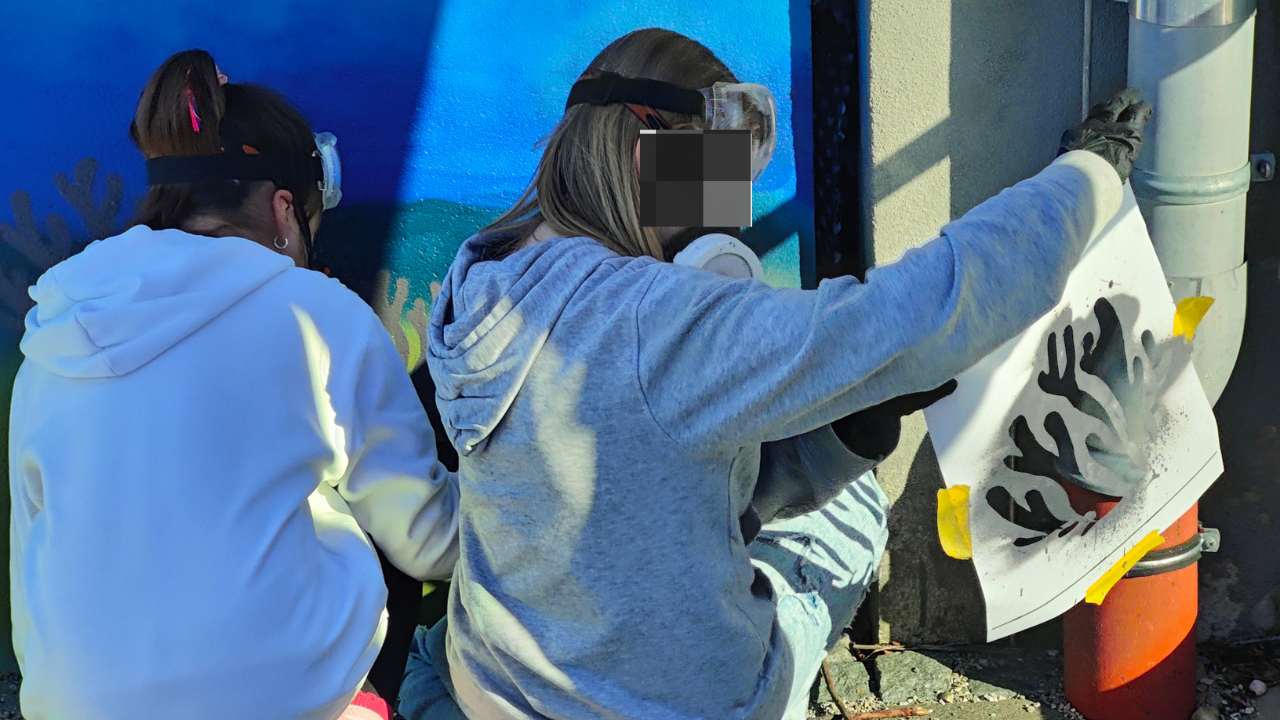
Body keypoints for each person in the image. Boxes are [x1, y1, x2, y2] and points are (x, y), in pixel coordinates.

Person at [401, 26, 1150, 720]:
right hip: (667, 706)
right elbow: (922, 314)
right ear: (641, 152)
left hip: (499, 685)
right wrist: (1087, 176)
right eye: (712, 179)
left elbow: (650, 462)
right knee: (851, 513)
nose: (725, 222)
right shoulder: (656, 321)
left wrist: (845, 434)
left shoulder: (484, 278)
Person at [7, 50, 459, 720]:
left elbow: (34, 540)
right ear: (284, 212)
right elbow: (425, 539)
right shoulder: (320, 314)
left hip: (71, 701)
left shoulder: (59, 321)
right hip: (272, 702)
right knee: (368, 520)